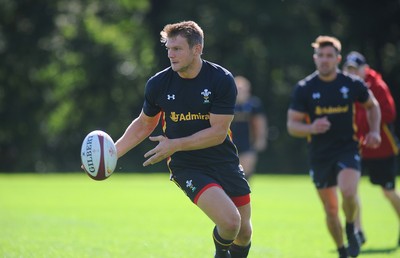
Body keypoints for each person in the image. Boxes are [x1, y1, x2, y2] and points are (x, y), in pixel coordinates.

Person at [114, 21, 252, 258]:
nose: (170, 54)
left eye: (177, 49)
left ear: (197, 49)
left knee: (244, 233)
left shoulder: (221, 79)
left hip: (223, 160)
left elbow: (218, 133)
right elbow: (143, 125)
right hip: (187, 165)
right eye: (168, 48)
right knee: (230, 222)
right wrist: (111, 154)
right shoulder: (158, 83)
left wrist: (174, 144)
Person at [286, 36, 381, 258]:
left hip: (347, 148)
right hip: (319, 154)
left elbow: (372, 106)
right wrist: (312, 128)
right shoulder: (304, 88)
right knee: (330, 210)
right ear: (315, 58)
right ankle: (341, 250)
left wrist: (375, 131)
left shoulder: (351, 83)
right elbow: (292, 125)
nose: (325, 60)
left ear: (338, 59)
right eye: (321, 56)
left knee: (348, 191)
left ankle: (351, 226)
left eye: (329, 56)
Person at [343, 51, 400, 246]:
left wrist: (369, 128)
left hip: (381, 148)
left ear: (364, 69)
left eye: (355, 68)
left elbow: (389, 113)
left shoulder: (377, 86)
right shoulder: (343, 88)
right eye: (348, 68)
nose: (352, 72)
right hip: (357, 147)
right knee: (351, 189)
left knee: (388, 191)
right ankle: (358, 231)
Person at [230, 76, 268, 180]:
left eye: (243, 89)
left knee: (246, 172)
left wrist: (261, 139)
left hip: (247, 144)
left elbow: (260, 122)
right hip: (229, 144)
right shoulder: (227, 104)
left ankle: (244, 194)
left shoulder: (254, 104)